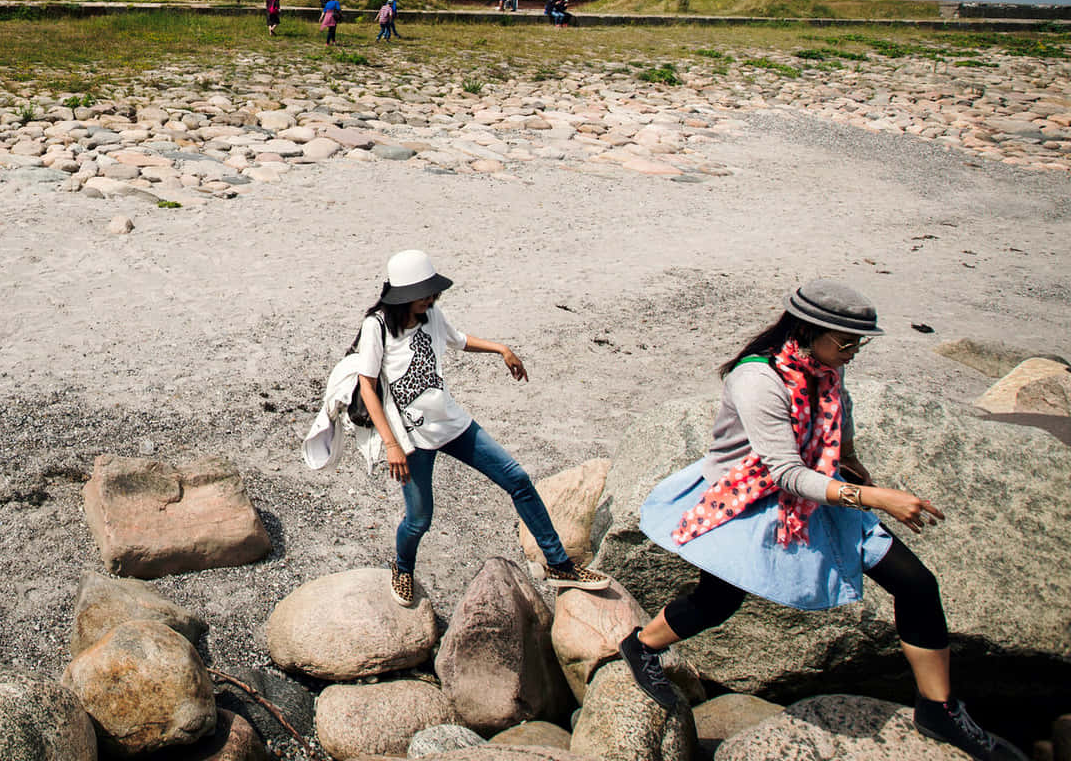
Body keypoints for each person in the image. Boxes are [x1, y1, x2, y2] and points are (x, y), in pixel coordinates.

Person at [619, 281, 1022, 761]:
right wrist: (876, 497)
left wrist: (853, 464)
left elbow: (839, 424)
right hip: (748, 497)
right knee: (719, 599)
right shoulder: (757, 378)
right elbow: (785, 473)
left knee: (916, 583)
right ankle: (641, 646)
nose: (852, 354)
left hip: (821, 489)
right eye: (846, 342)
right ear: (810, 330)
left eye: (859, 343)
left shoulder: (825, 366)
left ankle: (937, 708)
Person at [337, 251, 612, 606]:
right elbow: (368, 386)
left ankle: (559, 564)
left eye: (432, 291)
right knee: (419, 520)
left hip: (452, 423)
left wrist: (501, 349)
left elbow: (458, 340)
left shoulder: (431, 314)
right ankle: (403, 568)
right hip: (412, 438)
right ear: (402, 294)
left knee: (518, 480)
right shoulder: (377, 327)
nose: (432, 298)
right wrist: (390, 444)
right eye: (424, 292)